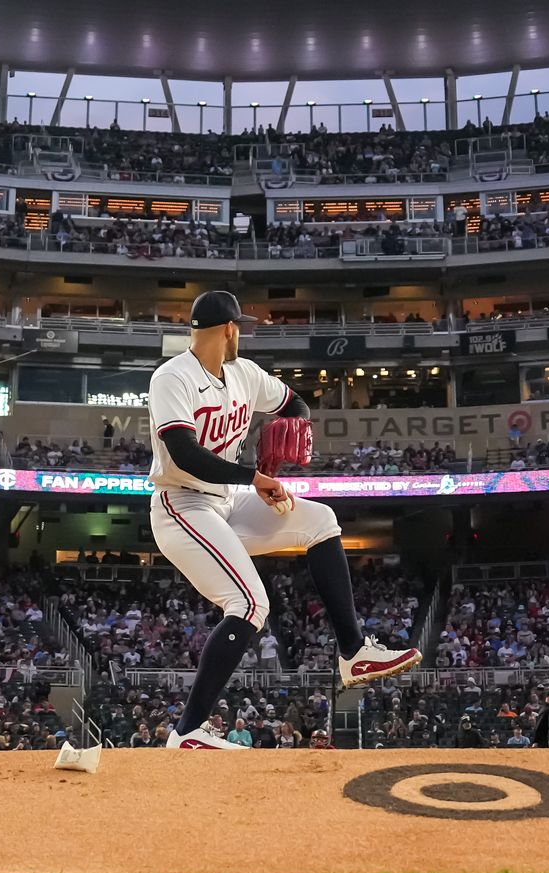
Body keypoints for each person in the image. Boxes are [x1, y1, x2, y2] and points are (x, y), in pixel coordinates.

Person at [146, 291, 419, 750]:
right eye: (241, 326)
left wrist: (283, 436)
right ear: (228, 328)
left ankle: (353, 654)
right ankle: (187, 731)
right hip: (182, 505)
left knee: (321, 520)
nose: (242, 333)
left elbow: (296, 407)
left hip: (228, 500)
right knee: (251, 605)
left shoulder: (244, 374)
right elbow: (184, 455)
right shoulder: (171, 378)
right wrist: (255, 474)